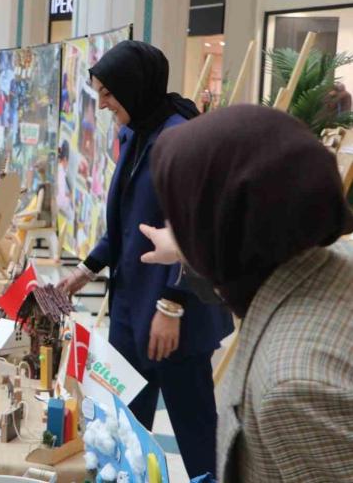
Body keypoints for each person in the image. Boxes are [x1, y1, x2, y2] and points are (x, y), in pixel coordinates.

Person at [149, 104, 353, 482]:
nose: (178, 224)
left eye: (184, 215)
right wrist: (185, 247)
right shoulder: (327, 261)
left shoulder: (293, 388)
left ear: (221, 224)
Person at [58, 41, 233, 479]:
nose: (102, 104)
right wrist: (87, 268)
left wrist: (172, 305)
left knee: (194, 429)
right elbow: (129, 221)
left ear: (134, 87)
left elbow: (196, 229)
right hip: (131, 307)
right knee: (125, 430)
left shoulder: (180, 137)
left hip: (176, 313)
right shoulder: (134, 132)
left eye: (108, 93)